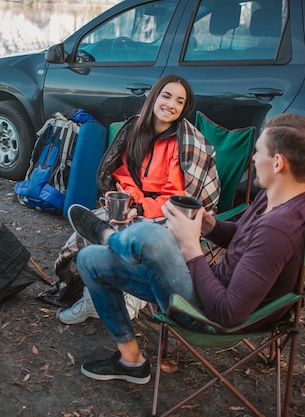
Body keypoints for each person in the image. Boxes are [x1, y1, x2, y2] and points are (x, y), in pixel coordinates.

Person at [66, 113, 305, 384]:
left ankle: (108, 236)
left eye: (258, 151)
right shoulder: (278, 195)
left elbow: (228, 313)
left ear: (277, 163)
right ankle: (130, 360)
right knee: (89, 259)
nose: (252, 158)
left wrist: (191, 246)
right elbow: (241, 237)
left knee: (153, 236)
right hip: (208, 287)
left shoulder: (279, 230)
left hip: (210, 314)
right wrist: (207, 222)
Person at [56, 74, 220, 325]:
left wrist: (142, 208)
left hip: (172, 212)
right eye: (166, 96)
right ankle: (92, 297)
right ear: (154, 97)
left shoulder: (183, 143)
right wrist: (130, 203)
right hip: (138, 204)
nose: (171, 105)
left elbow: (177, 194)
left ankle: (130, 300)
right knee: (95, 227)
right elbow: (124, 174)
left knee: (137, 238)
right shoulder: (135, 131)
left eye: (179, 101)